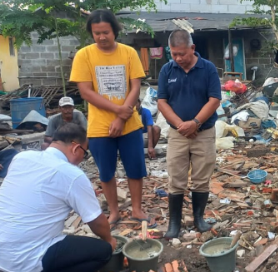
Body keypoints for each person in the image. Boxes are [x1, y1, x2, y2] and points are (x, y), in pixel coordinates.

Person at [0, 123, 115, 272]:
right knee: (103, 251)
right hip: (23, 261)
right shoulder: (71, 174)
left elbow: (34, 191)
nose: (83, 158)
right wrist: (109, 240)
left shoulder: (22, 157)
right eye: (85, 153)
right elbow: (97, 222)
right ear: (76, 148)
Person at [70, 9, 153, 227]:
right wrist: (118, 112)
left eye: (106, 32)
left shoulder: (128, 53)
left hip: (130, 124)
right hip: (99, 127)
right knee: (106, 172)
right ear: (91, 33)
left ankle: (136, 208)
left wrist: (123, 117)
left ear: (114, 31)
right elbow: (86, 92)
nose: (102, 37)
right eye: (97, 33)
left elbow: (135, 85)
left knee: (135, 168)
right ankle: (114, 211)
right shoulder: (84, 55)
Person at [158, 29, 221, 238]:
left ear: (192, 48)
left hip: (203, 132)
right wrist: (180, 125)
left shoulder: (208, 69)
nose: (177, 58)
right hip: (178, 134)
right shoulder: (167, 70)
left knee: (201, 177)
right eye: (173, 54)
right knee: (176, 177)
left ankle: (199, 219)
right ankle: (174, 223)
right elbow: (162, 101)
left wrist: (195, 123)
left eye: (181, 54)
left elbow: (214, 100)